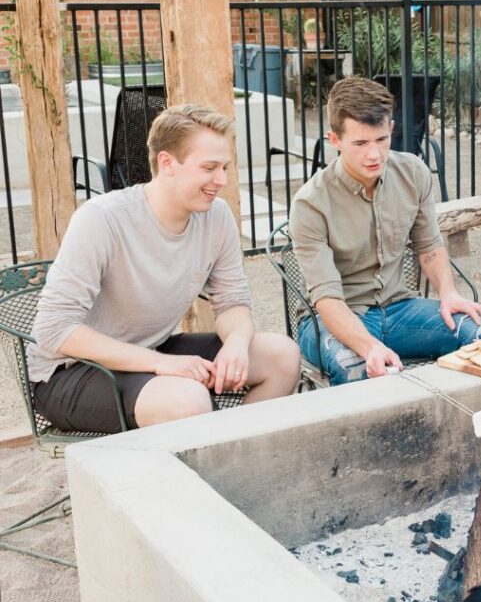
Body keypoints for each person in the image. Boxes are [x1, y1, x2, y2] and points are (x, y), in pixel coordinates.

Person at [29, 105, 301, 432]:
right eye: (209, 167)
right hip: (71, 372)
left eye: (225, 167)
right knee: (188, 401)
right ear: (167, 163)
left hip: (152, 350)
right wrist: (163, 364)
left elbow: (232, 301)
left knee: (282, 356)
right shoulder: (102, 218)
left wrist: (237, 344)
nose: (222, 180)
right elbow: (54, 329)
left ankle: (230, 450)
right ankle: (209, 462)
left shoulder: (218, 216)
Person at [290, 76, 481, 385]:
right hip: (335, 318)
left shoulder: (413, 172)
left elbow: (429, 246)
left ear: (391, 129)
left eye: (381, 139)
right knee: (354, 364)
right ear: (335, 140)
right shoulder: (310, 204)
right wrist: (370, 346)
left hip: (401, 309)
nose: (374, 154)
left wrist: (449, 293)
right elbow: (327, 298)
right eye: (360, 143)